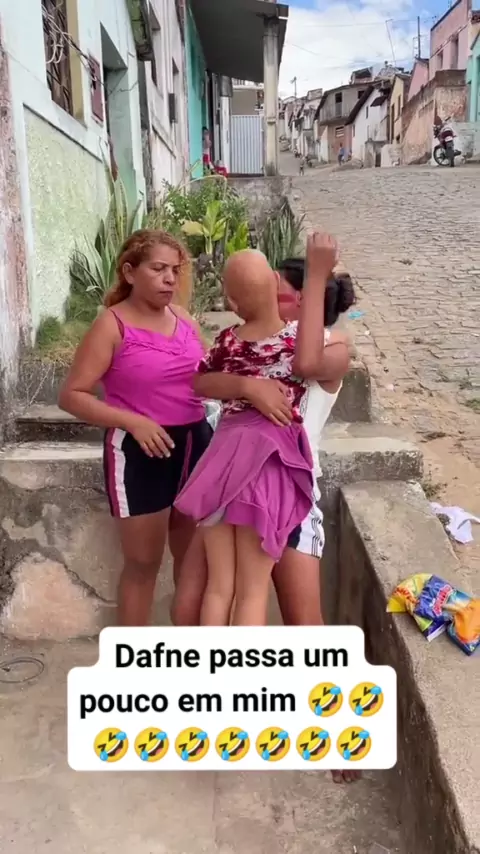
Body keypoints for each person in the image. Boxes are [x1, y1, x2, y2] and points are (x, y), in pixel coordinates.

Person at [172, 256, 354, 629]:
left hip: (286, 485)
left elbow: (306, 364)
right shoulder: (238, 341)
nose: (270, 300)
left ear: (306, 300)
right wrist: (247, 386)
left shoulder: (329, 348)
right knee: (198, 605)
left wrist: (317, 277)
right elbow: (201, 381)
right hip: (231, 476)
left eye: (279, 292)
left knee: (300, 622)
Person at [58, 230, 212, 627]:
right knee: (143, 563)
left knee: (193, 561)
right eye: (158, 269)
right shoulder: (111, 326)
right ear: (129, 272)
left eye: (174, 270)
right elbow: (72, 395)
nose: (169, 279)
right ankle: (133, 656)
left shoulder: (183, 319)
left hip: (195, 445)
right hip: (138, 451)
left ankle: (191, 650)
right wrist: (133, 421)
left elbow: (207, 376)